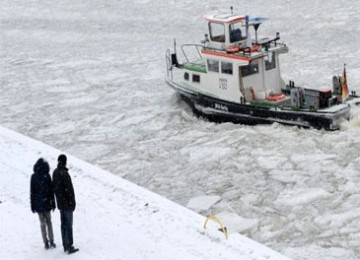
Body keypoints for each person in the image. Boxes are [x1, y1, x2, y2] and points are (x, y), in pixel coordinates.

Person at [53, 154, 79, 254]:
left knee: (63, 225)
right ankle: (69, 246)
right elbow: (69, 191)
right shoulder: (64, 173)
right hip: (67, 204)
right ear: (64, 162)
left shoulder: (55, 172)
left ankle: (65, 244)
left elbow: (54, 188)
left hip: (60, 204)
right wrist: (73, 203)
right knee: (68, 225)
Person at [30, 158, 56, 250]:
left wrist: (32, 206)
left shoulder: (33, 177)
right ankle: (52, 241)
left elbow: (32, 192)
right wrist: (53, 203)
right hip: (47, 204)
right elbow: (51, 191)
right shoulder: (47, 175)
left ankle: (45, 242)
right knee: (49, 223)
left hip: (38, 204)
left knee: (42, 224)